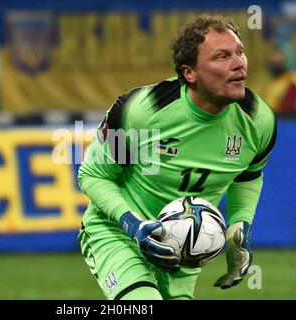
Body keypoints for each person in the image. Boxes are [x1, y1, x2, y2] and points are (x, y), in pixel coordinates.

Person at [77, 15, 277, 300]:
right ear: (189, 73)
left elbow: (249, 175)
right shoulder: (142, 111)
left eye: (240, 52)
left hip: (181, 254)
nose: (239, 63)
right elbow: (93, 175)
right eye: (222, 56)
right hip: (118, 234)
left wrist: (238, 229)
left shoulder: (258, 120)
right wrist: (134, 226)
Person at [265, 43, 296, 117]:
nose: (273, 59)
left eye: (279, 55)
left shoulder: (294, 81)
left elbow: (287, 111)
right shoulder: (276, 81)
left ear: (288, 58)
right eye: (274, 55)